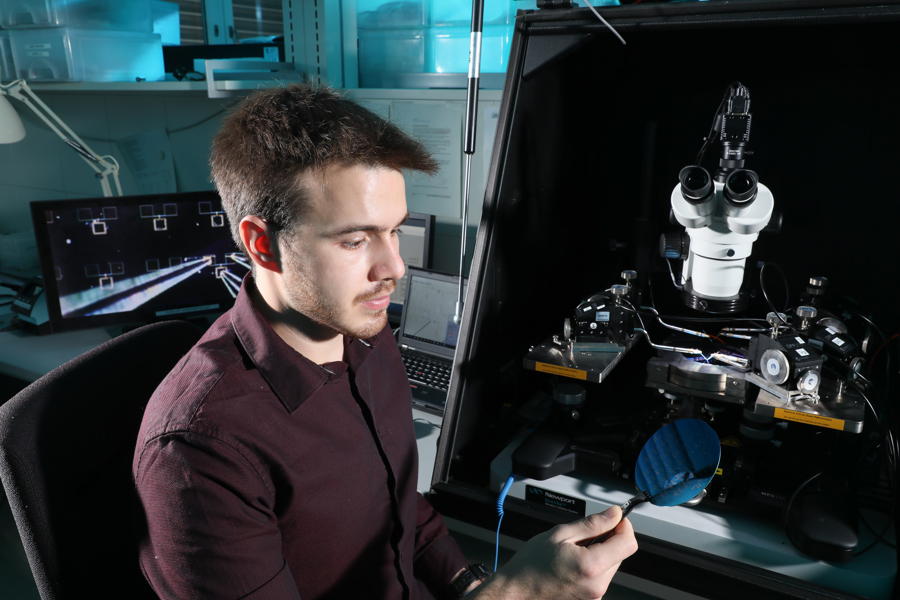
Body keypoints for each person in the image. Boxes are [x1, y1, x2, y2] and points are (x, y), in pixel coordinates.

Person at [132, 83, 637, 600]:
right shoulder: (201, 450)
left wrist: (468, 587)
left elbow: (398, 504)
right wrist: (518, 594)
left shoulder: (365, 334)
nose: (394, 267)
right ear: (263, 244)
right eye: (355, 240)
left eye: (395, 231)